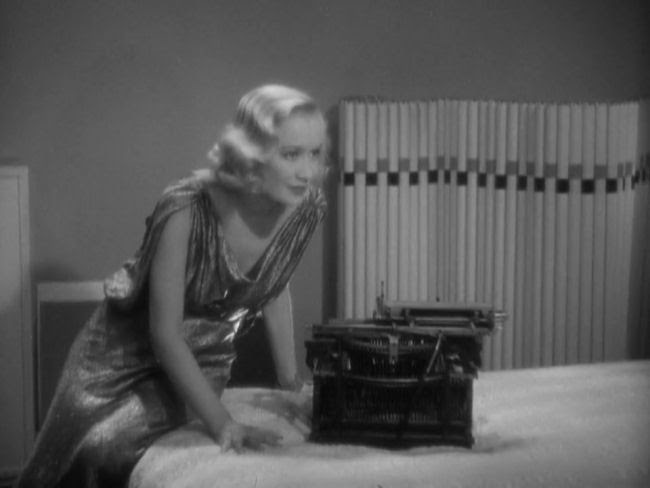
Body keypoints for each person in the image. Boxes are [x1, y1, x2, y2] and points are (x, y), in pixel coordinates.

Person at [17, 84, 329, 488]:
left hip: (203, 359)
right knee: (89, 450)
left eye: (315, 153)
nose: (307, 172)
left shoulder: (306, 208)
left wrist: (290, 382)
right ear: (252, 153)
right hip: (119, 356)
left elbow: (274, 283)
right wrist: (223, 423)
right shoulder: (185, 206)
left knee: (122, 448)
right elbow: (164, 334)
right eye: (291, 154)